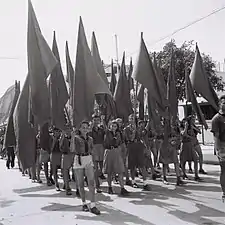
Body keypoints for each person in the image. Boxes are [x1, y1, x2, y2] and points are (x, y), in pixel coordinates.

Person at [71, 121, 100, 215]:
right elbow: (72, 149)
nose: (84, 129)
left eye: (86, 127)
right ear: (79, 128)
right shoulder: (75, 138)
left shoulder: (90, 139)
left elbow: (92, 150)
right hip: (78, 159)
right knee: (80, 183)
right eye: (83, 127)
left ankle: (93, 204)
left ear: (88, 129)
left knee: (91, 182)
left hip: (88, 158)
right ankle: (84, 203)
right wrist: (72, 137)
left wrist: (93, 161)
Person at [124, 115, 151, 190]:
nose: (132, 120)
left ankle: (145, 183)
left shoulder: (139, 128)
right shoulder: (126, 129)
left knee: (142, 165)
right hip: (131, 147)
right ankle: (133, 182)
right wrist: (133, 131)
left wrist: (148, 123)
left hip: (139, 147)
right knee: (132, 166)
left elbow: (143, 134)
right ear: (129, 120)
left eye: (134, 118)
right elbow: (130, 138)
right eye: (131, 119)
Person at [103, 120, 129, 195]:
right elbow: (105, 127)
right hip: (109, 152)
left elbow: (121, 142)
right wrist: (103, 119)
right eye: (112, 126)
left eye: (115, 126)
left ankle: (122, 188)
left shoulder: (119, 134)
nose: (114, 127)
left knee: (120, 171)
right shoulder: (107, 133)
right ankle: (110, 187)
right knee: (109, 172)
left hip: (116, 151)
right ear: (109, 126)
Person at [211, 95, 225, 201]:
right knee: (224, 170)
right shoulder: (216, 119)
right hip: (223, 147)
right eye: (223, 103)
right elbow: (216, 135)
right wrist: (218, 150)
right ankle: (224, 192)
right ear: (220, 104)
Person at [180, 117, 202, 181]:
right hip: (184, 145)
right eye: (184, 122)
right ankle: (184, 174)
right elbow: (183, 134)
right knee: (183, 161)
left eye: (186, 122)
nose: (185, 123)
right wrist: (186, 127)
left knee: (195, 159)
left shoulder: (191, 127)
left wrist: (192, 127)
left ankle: (196, 175)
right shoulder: (181, 128)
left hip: (190, 145)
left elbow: (195, 134)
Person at [89, 115, 106, 193]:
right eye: (94, 120)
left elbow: (106, 134)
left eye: (97, 120)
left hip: (101, 148)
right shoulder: (90, 130)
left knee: (102, 168)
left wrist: (104, 122)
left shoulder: (101, 129)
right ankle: (97, 185)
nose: (96, 122)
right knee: (95, 169)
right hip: (94, 149)